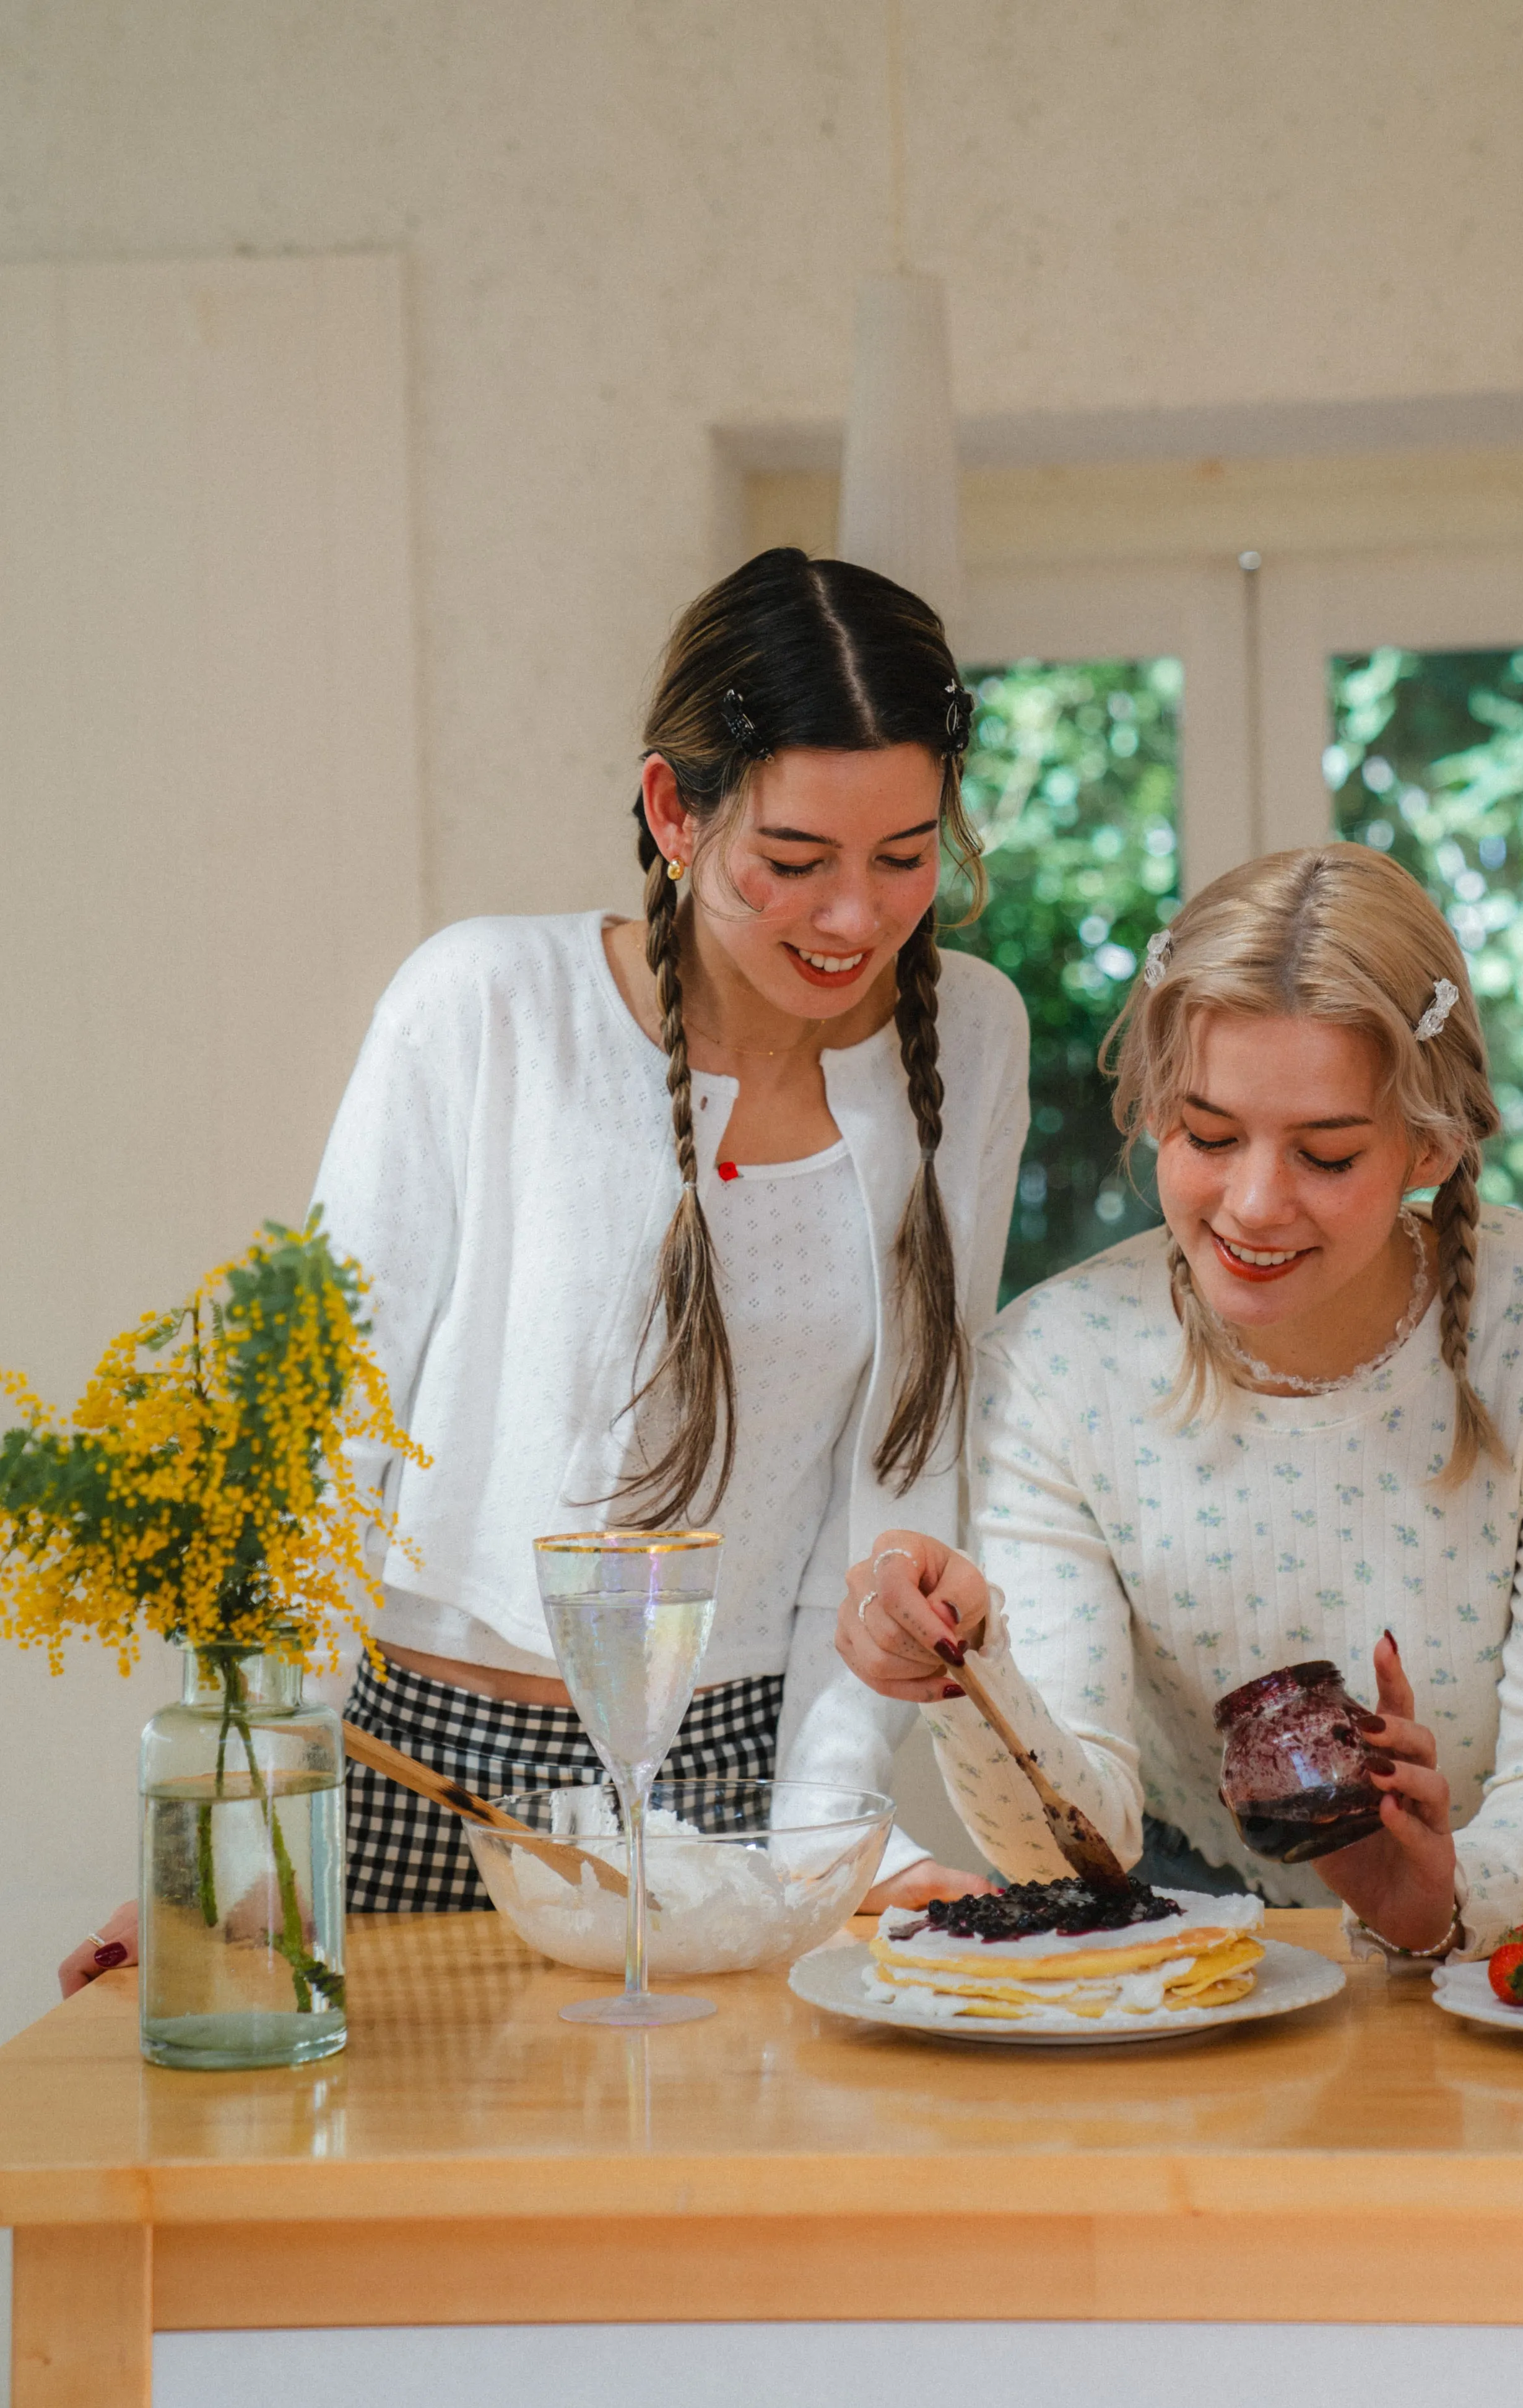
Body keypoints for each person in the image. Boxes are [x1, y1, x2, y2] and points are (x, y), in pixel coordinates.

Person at [60, 547, 1027, 1990]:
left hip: (725, 1798)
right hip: (408, 1776)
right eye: (795, 860)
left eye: (904, 857)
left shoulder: (975, 1037)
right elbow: (325, 1434)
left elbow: (896, 1477)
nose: (855, 918)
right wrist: (241, 1853)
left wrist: (836, 1845)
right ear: (673, 811)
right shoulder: (486, 1007)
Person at [835, 844, 1523, 1961]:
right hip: (1168, 1950)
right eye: (1209, 1135)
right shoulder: (1059, 1362)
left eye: (1326, 1154)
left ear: (1431, 1142)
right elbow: (1063, 1848)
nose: (1253, 1203)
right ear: (1150, 1108)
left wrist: (1441, 1892)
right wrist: (970, 1667)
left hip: (1491, 1949)